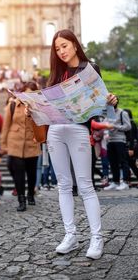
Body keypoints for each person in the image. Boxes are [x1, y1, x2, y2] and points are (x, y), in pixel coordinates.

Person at [41, 29, 117, 259]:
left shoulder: (89, 69)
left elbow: (103, 107)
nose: (61, 51)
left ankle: (96, 238)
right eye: (57, 48)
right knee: (63, 185)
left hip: (78, 129)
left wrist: (112, 101)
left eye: (64, 45)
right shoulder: (55, 75)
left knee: (85, 186)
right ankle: (70, 235)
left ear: (75, 44)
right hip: (55, 131)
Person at [0, 81, 41, 212]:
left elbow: (42, 125)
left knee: (32, 173)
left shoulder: (39, 107)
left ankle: (30, 193)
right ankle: (21, 200)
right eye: (26, 93)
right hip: (15, 143)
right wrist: (3, 144)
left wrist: (33, 113)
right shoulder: (13, 105)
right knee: (18, 173)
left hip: (32, 143)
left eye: (31, 94)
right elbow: (5, 126)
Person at [104, 100, 131, 191]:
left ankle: (126, 182)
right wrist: (105, 132)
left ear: (116, 102)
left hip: (120, 140)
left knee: (123, 161)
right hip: (110, 141)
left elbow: (128, 126)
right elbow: (104, 125)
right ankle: (115, 182)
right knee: (112, 162)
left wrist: (115, 126)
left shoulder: (122, 113)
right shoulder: (107, 114)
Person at [123, 109, 138, 186]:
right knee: (130, 164)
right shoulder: (131, 123)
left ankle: (127, 181)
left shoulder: (131, 124)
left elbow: (132, 138)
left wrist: (131, 149)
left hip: (132, 147)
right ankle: (127, 180)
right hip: (131, 147)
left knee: (130, 164)